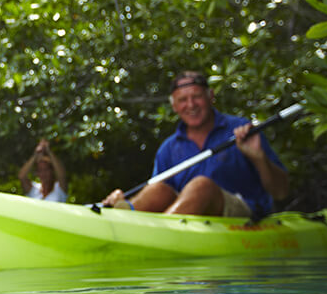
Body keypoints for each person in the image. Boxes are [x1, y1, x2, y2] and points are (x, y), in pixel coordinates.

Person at [101, 70, 289, 219]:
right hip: (191, 220)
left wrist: (259, 158)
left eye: (197, 96)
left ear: (210, 97)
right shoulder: (168, 148)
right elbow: (157, 196)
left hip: (245, 216)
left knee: (201, 186)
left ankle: (160, 235)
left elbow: (281, 192)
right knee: (158, 189)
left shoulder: (242, 130)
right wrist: (124, 200)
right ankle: (121, 214)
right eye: (183, 100)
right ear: (174, 106)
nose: (191, 105)